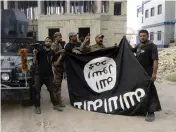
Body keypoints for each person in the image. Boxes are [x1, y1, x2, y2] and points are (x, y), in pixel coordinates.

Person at [132, 29, 161, 122]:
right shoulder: (139, 45)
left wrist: (154, 73)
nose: (142, 37)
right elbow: (131, 51)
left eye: (144, 36)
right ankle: (142, 109)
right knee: (140, 91)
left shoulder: (152, 46)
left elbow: (155, 61)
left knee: (150, 91)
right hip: (139, 73)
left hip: (148, 73)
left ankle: (151, 112)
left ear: (147, 36)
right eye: (140, 36)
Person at [33, 37, 61, 114]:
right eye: (46, 41)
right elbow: (35, 62)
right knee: (37, 91)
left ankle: (55, 105)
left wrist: (61, 56)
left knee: (52, 90)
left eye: (49, 41)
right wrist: (35, 54)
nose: (48, 42)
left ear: (51, 43)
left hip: (49, 75)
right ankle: (37, 107)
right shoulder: (39, 51)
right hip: (39, 74)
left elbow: (55, 64)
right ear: (44, 42)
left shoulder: (52, 52)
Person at [51, 32, 66, 110]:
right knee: (56, 85)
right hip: (56, 66)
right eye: (59, 37)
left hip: (60, 66)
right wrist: (59, 52)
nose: (61, 38)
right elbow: (52, 54)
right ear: (55, 37)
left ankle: (58, 100)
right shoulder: (53, 45)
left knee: (59, 84)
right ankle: (56, 103)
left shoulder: (60, 45)